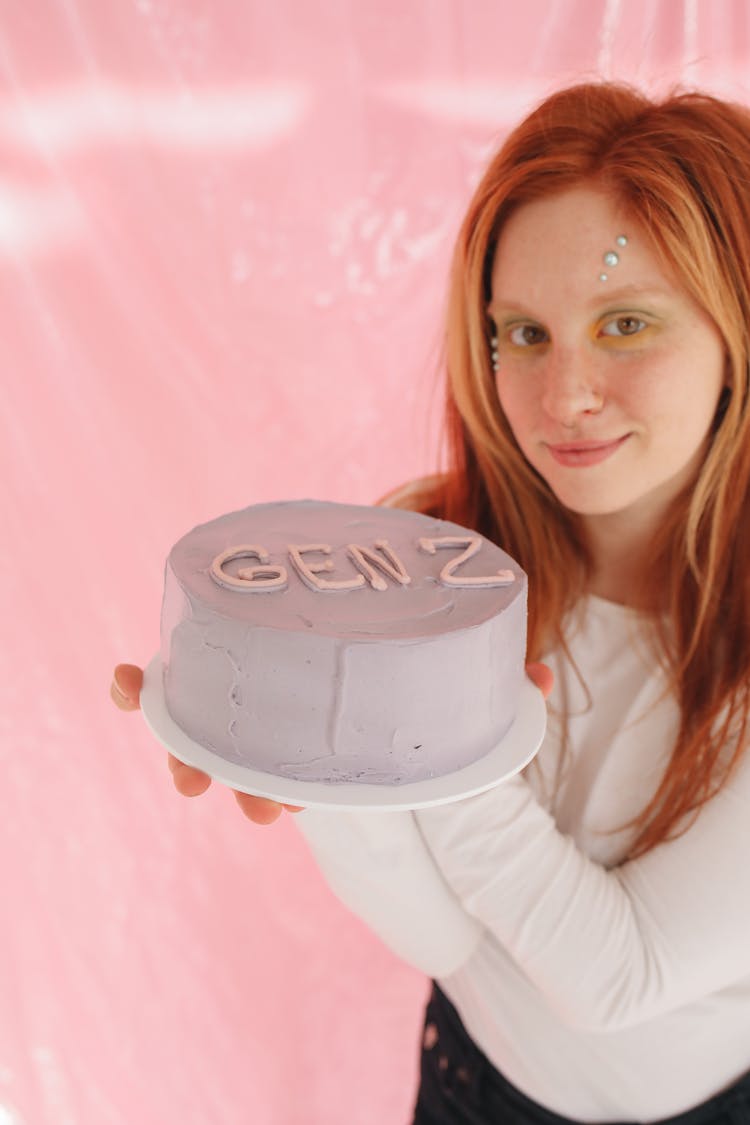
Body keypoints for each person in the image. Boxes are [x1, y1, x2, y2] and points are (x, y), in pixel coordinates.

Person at [111, 81, 750, 1123]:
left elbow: (616, 980)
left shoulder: (421, 610)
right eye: (524, 333)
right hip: (469, 1083)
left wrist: (400, 712)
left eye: (626, 323)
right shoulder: (426, 552)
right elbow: (440, 942)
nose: (565, 395)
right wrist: (296, 750)